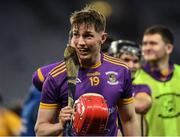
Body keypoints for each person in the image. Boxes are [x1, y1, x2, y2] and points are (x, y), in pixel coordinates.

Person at [35, 5, 140, 136]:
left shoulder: (121, 70)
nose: (80, 42)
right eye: (76, 35)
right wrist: (60, 125)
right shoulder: (57, 76)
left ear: (102, 38)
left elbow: (129, 119)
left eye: (88, 36)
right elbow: (40, 131)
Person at [133, 25, 180, 136]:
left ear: (168, 48)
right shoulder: (135, 78)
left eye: (153, 43)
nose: (147, 48)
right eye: (145, 44)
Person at [108, 40, 152, 136]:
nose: (131, 66)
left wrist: (111, 102)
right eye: (126, 60)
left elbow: (142, 105)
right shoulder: (102, 84)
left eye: (135, 61)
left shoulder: (140, 88)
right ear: (114, 60)